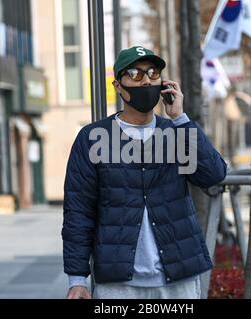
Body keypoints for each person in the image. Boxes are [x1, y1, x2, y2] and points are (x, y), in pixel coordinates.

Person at [63, 46, 227, 299]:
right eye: (135, 74)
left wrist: (181, 118)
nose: (146, 79)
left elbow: (213, 175)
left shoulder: (176, 133)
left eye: (152, 73)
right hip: (118, 284)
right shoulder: (93, 138)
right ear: (118, 85)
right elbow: (78, 211)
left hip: (178, 280)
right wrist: (77, 279)